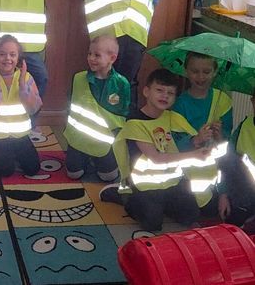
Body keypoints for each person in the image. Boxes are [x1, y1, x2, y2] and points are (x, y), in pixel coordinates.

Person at [108, 69, 210, 231]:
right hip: (144, 184)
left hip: (171, 181)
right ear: (146, 91)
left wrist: (199, 138)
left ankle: (161, 205)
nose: (165, 96)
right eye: (160, 90)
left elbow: (186, 141)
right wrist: (193, 155)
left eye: (170, 93)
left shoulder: (171, 117)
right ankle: (126, 197)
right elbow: (156, 158)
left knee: (191, 215)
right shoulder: (135, 122)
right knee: (152, 223)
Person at [172, 52, 232, 216]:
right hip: (187, 169)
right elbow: (173, 142)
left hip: (215, 168)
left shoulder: (223, 101)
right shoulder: (180, 104)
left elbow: (228, 144)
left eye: (206, 72)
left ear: (215, 72)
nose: (200, 77)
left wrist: (220, 136)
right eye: (195, 71)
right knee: (190, 211)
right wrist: (196, 139)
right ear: (186, 71)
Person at [63, 35, 129, 181]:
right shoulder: (78, 78)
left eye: (97, 55)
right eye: (89, 54)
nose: (91, 58)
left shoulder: (122, 84)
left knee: (109, 176)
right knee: (74, 174)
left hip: (104, 142)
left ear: (112, 58)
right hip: (78, 139)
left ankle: (99, 158)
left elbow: (123, 114)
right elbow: (69, 105)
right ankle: (81, 157)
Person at [0, 35, 42, 177]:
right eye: (2, 54)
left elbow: (33, 109)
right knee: (4, 172)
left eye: (12, 54)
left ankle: (13, 152)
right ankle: (0, 151)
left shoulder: (27, 78)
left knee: (33, 169)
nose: (7, 58)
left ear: (18, 58)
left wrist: (23, 88)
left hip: (20, 135)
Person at [219, 93, 255, 230]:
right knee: (231, 223)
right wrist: (223, 194)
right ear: (252, 101)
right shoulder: (244, 127)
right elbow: (226, 163)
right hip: (244, 192)